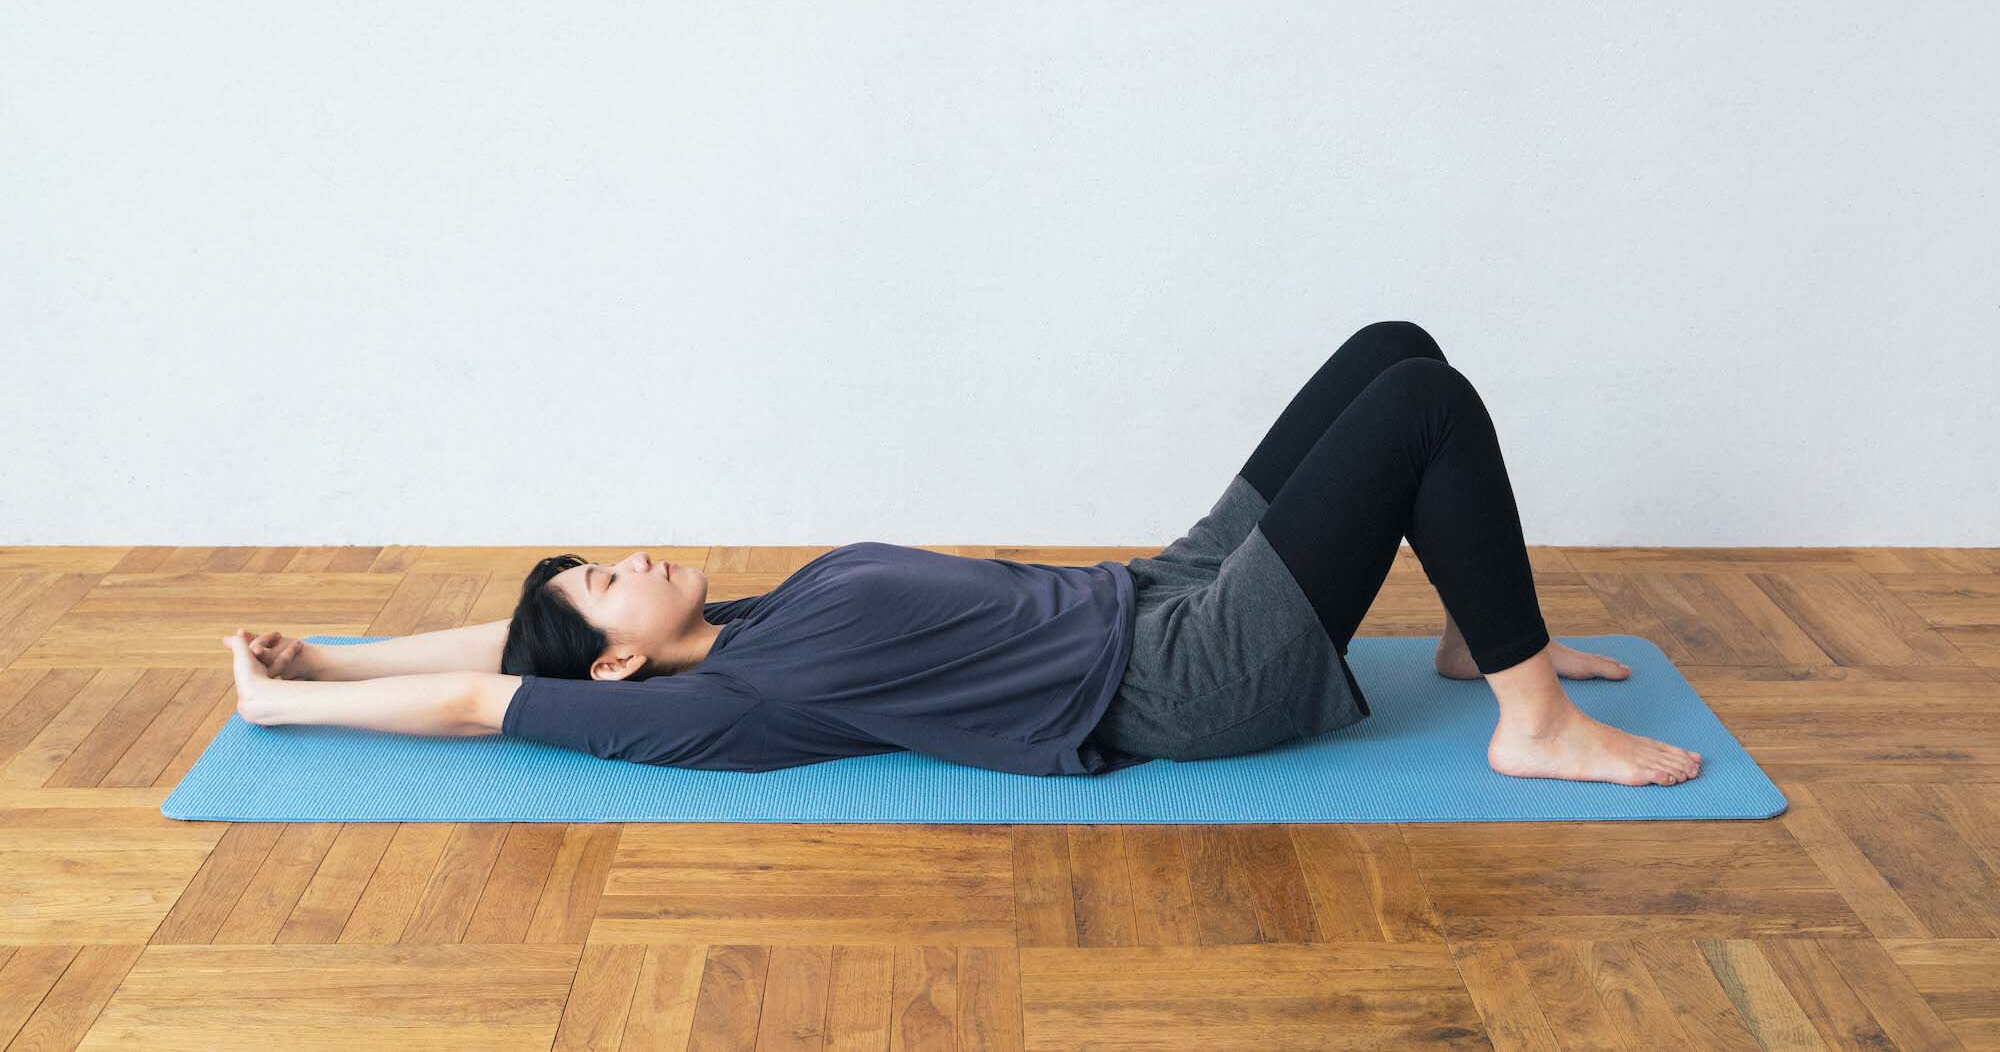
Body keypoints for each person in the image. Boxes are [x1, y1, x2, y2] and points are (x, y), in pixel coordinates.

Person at [223, 320, 1699, 788]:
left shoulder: (749, 623)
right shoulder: (730, 699)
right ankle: (1531, 723)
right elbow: (492, 696)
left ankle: (1477, 632)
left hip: (1156, 588)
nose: (638, 557)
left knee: (1391, 348)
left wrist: (337, 648)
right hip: (1186, 676)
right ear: (615, 663)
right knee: (1425, 405)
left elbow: (502, 647)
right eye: (609, 581)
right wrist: (287, 705)